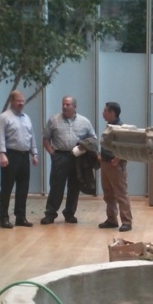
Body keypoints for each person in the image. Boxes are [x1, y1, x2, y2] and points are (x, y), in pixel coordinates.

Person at [40, 96, 96, 224]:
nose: (64, 107)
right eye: (63, 104)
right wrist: (52, 153)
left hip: (77, 158)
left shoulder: (84, 121)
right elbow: (46, 138)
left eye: (68, 104)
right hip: (60, 156)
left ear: (75, 107)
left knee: (74, 187)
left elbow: (93, 138)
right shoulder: (54, 120)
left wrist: (85, 145)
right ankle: (50, 214)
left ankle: (69, 213)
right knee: (56, 186)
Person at [0, 90, 39, 229]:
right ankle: (3, 218)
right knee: (7, 188)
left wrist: (34, 153)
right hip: (10, 155)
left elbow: (31, 136)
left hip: (24, 156)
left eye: (23, 101)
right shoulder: (4, 117)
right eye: (18, 101)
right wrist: (2, 154)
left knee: (23, 188)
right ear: (11, 101)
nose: (21, 103)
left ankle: (21, 217)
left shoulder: (26, 118)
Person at [98, 101, 132, 232]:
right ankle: (111, 219)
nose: (103, 113)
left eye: (105, 111)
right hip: (105, 163)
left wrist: (118, 159)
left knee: (121, 194)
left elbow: (126, 147)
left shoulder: (121, 128)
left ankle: (127, 221)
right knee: (108, 194)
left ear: (113, 113)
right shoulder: (109, 127)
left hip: (116, 164)